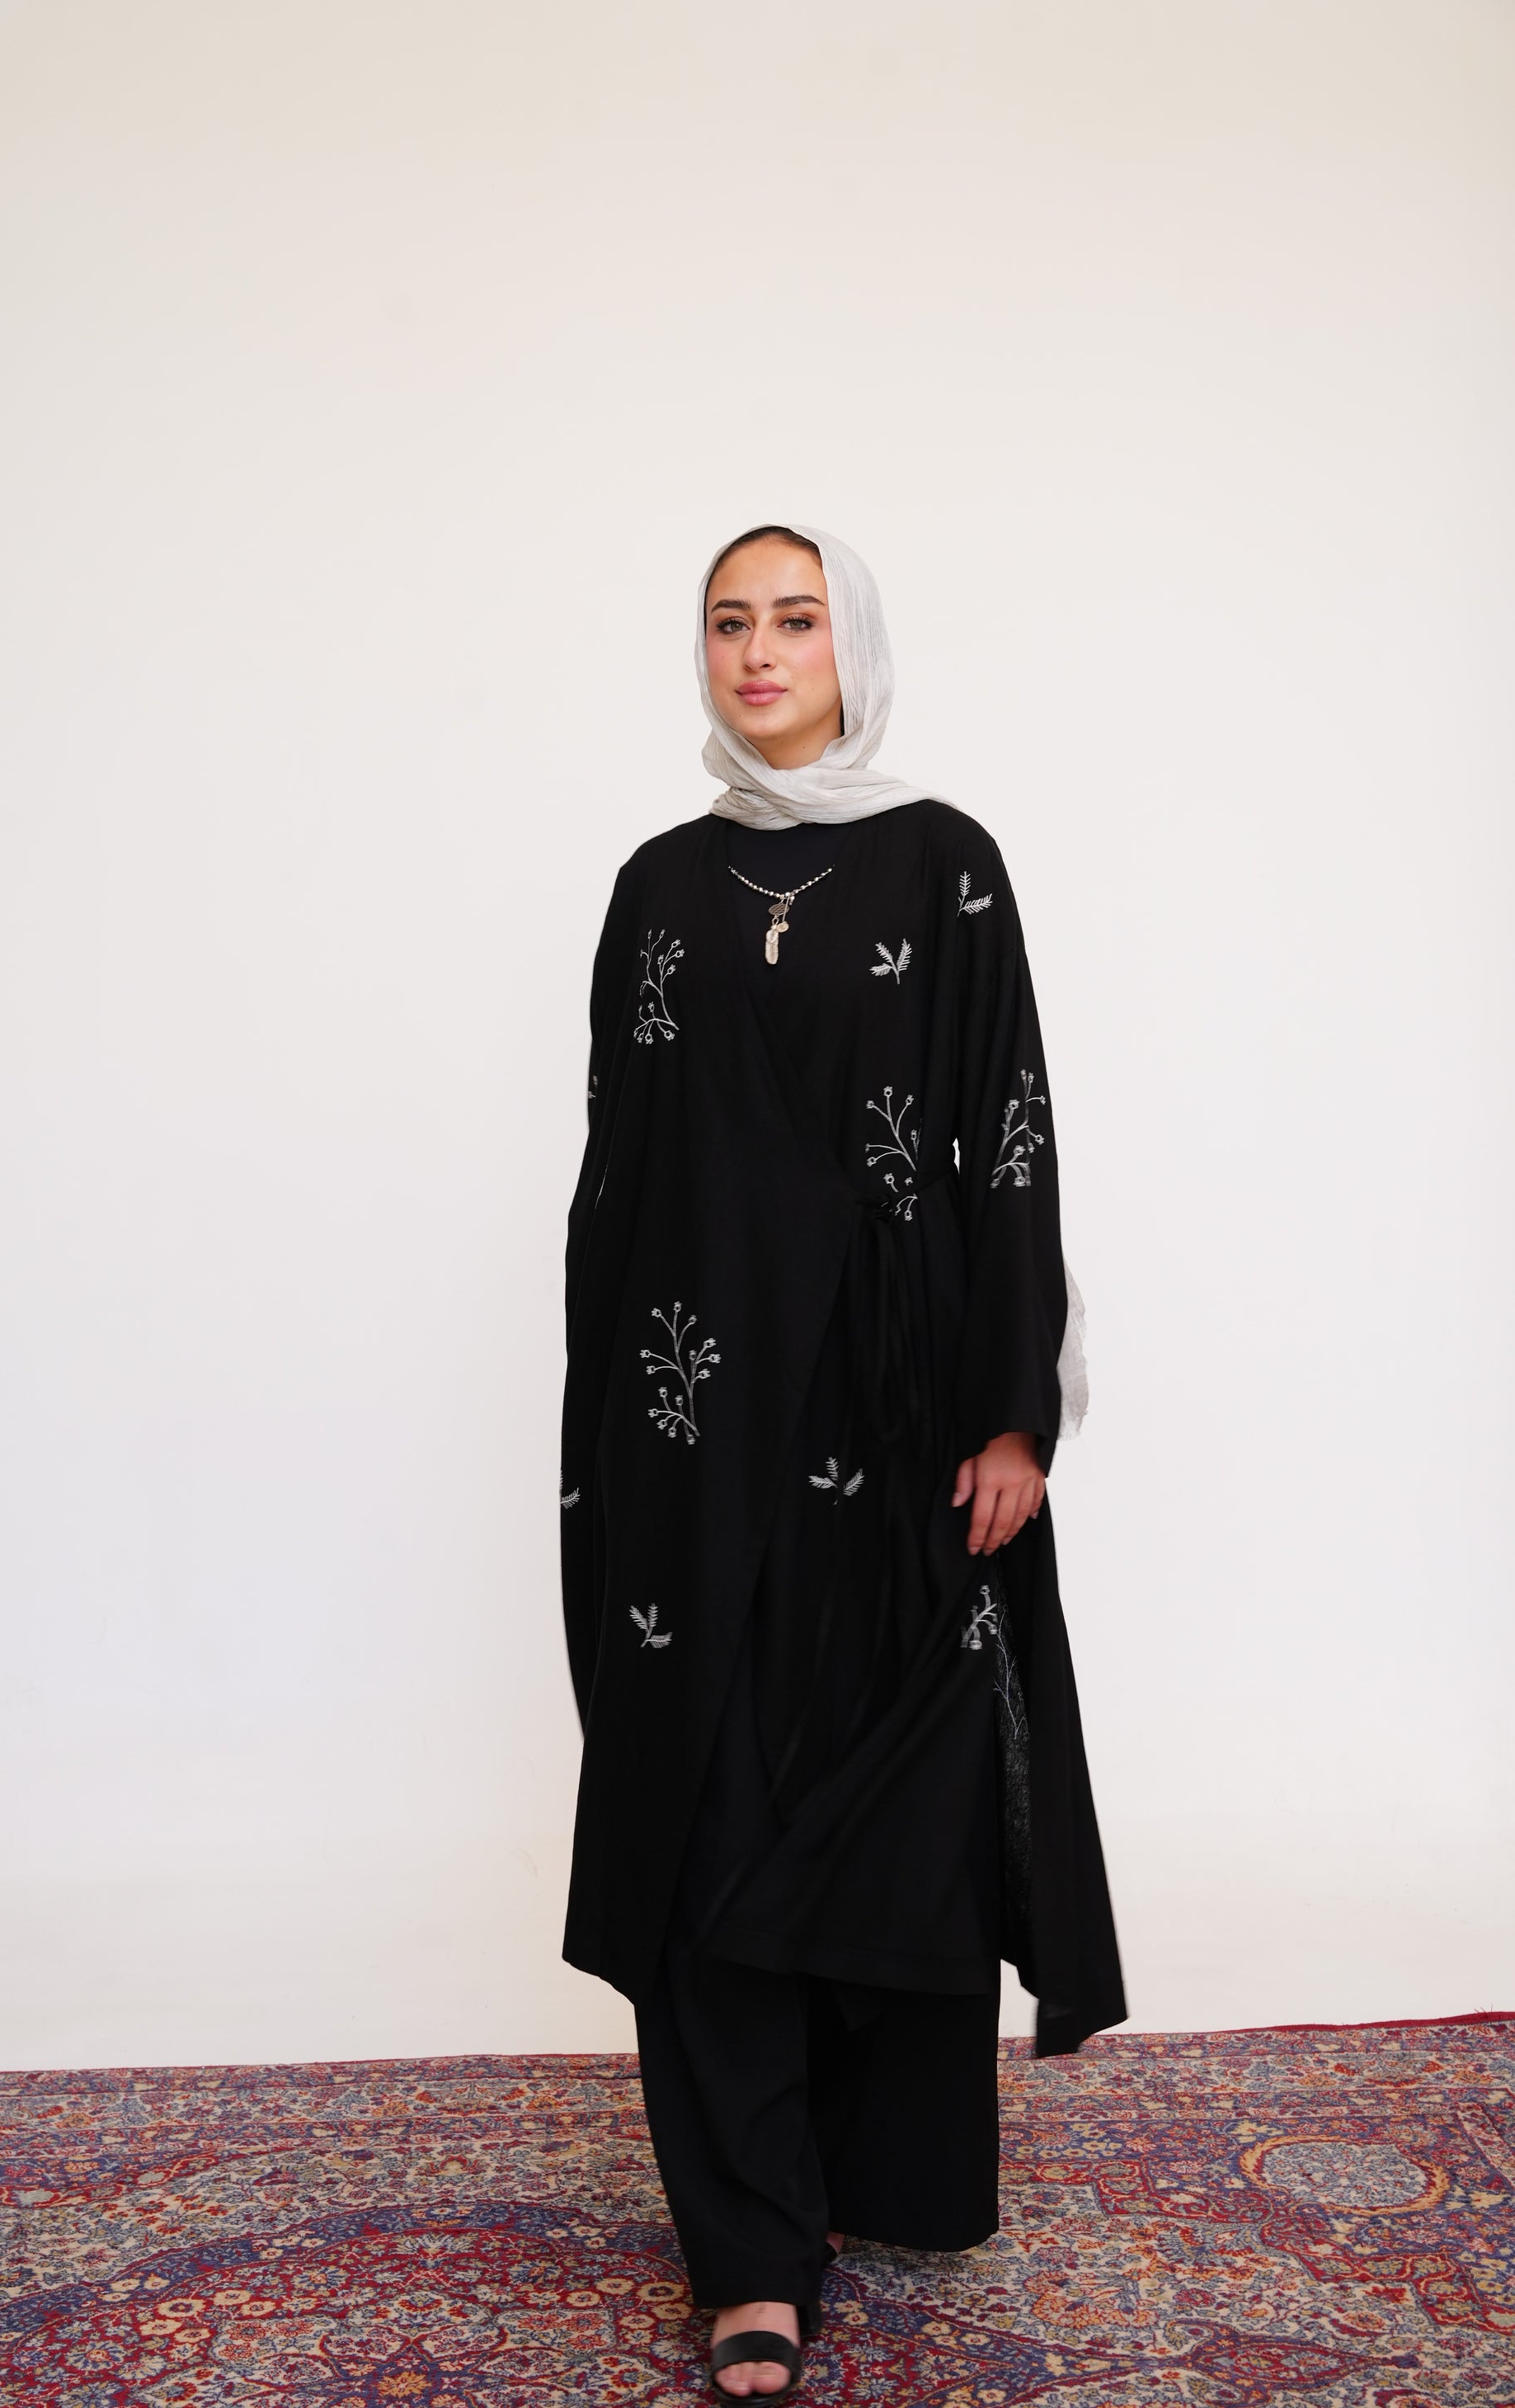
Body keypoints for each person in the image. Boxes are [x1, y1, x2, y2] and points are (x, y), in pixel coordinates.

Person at [559, 524, 1124, 2399]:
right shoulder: (655, 886)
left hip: (894, 1422)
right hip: (694, 1426)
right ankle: (748, 2252)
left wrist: (1010, 1407)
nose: (758, 651)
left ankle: (873, 2169)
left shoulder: (946, 862)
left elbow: (1006, 1131)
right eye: (728, 622)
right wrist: (608, 1435)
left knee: (896, 1795)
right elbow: (617, 1177)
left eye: (793, 619)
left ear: (849, 644)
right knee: (709, 1806)